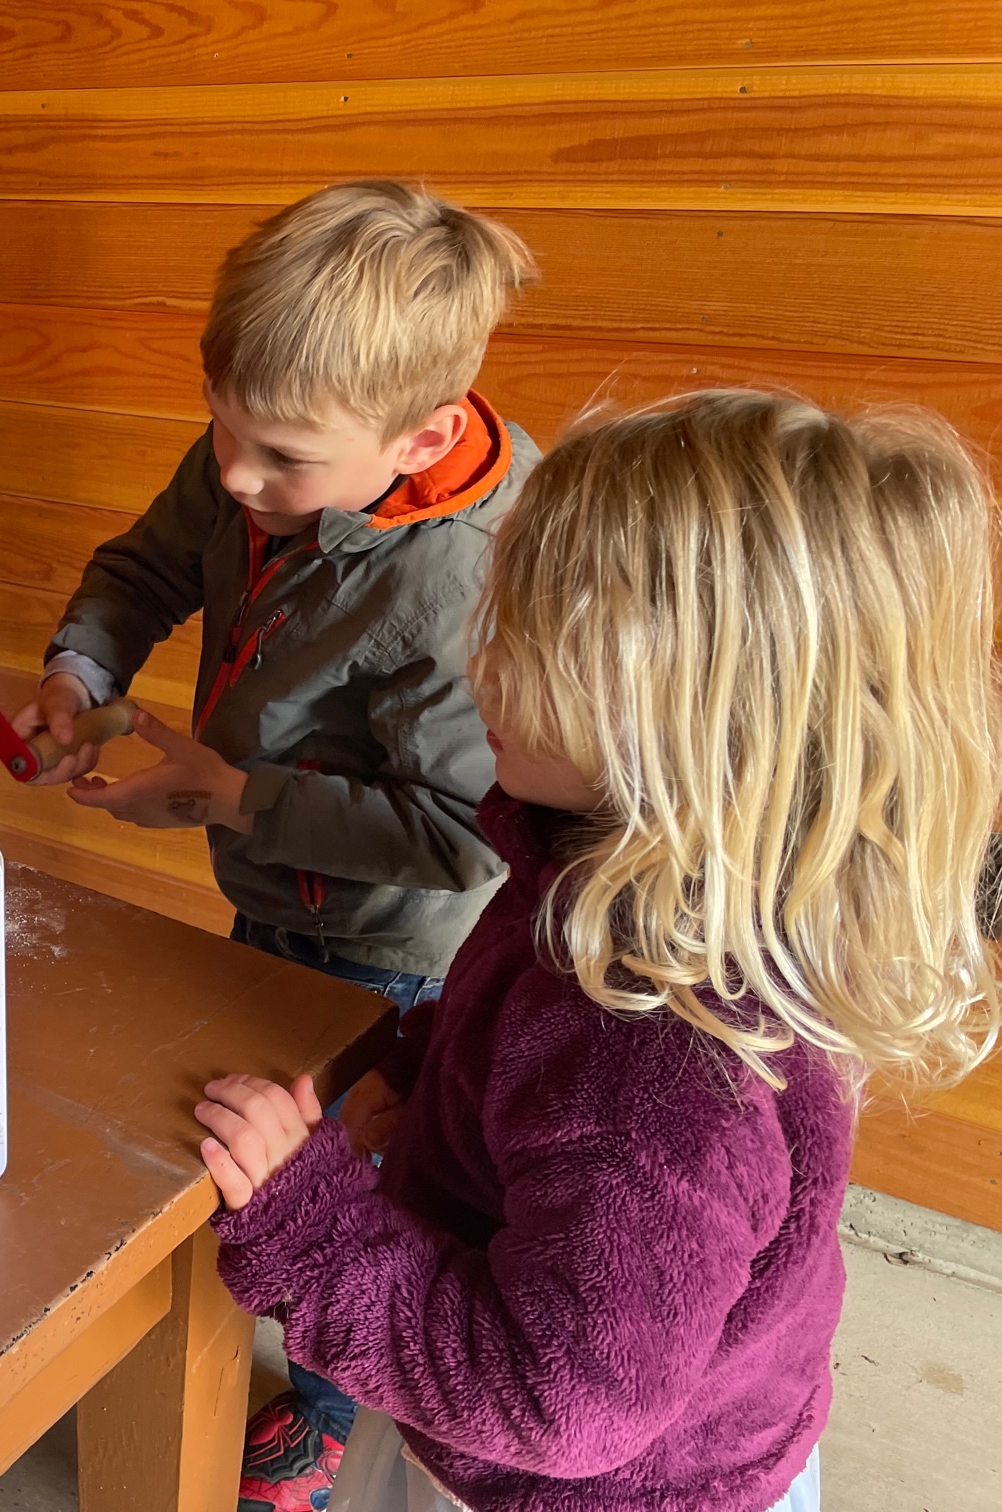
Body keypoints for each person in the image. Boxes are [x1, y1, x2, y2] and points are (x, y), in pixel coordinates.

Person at [193, 390, 1002, 1512]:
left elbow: (556, 1404)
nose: (479, 661)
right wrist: (435, 1075)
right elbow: (522, 1034)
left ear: (683, 706)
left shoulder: (649, 1049)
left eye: (530, 639)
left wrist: (311, 1224)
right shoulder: (660, 870)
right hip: (699, 1422)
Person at [7, 179, 537, 1484]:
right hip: (274, 889)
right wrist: (82, 673)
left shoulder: (456, 584)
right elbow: (145, 566)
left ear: (419, 439)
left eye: (280, 460)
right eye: (220, 429)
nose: (235, 476)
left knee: (340, 1186)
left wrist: (232, 796)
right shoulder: (268, 445)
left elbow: (461, 838)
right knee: (262, 1150)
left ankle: (323, 1400)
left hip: (389, 946)